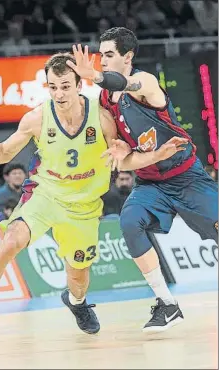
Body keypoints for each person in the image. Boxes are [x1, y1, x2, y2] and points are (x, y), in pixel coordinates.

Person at [0, 52, 187, 341]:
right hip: (45, 194)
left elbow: (124, 162)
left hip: (83, 206)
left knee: (78, 278)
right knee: (11, 242)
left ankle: (77, 302)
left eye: (65, 86)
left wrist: (158, 154)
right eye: (53, 86)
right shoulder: (36, 118)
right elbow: (5, 151)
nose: (59, 93)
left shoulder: (102, 118)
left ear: (79, 84)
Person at [67, 28, 218, 333]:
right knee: (129, 220)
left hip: (188, 177)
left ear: (128, 57)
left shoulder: (145, 82)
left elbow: (123, 82)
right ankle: (167, 303)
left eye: (109, 55)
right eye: (101, 55)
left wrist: (93, 75)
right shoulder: (104, 102)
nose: (104, 60)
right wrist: (123, 148)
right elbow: (122, 160)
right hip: (151, 184)